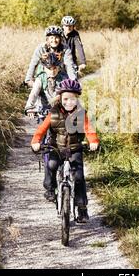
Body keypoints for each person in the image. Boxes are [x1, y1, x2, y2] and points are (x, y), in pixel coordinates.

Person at [31, 79, 99, 223]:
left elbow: (89, 129)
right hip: (57, 147)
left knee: (79, 177)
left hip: (74, 149)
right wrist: (36, 142)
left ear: (77, 99)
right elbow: (41, 129)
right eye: (66, 99)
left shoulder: (81, 113)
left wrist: (93, 141)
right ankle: (50, 189)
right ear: (60, 98)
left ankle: (81, 208)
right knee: (51, 165)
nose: (69, 102)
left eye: (73, 99)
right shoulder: (53, 113)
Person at [24, 52, 68, 118]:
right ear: (44, 68)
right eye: (49, 69)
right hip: (43, 110)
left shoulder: (64, 78)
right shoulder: (40, 78)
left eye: (55, 68)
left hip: (59, 110)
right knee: (42, 127)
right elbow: (34, 93)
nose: (52, 71)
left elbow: (69, 93)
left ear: (59, 68)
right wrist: (29, 107)